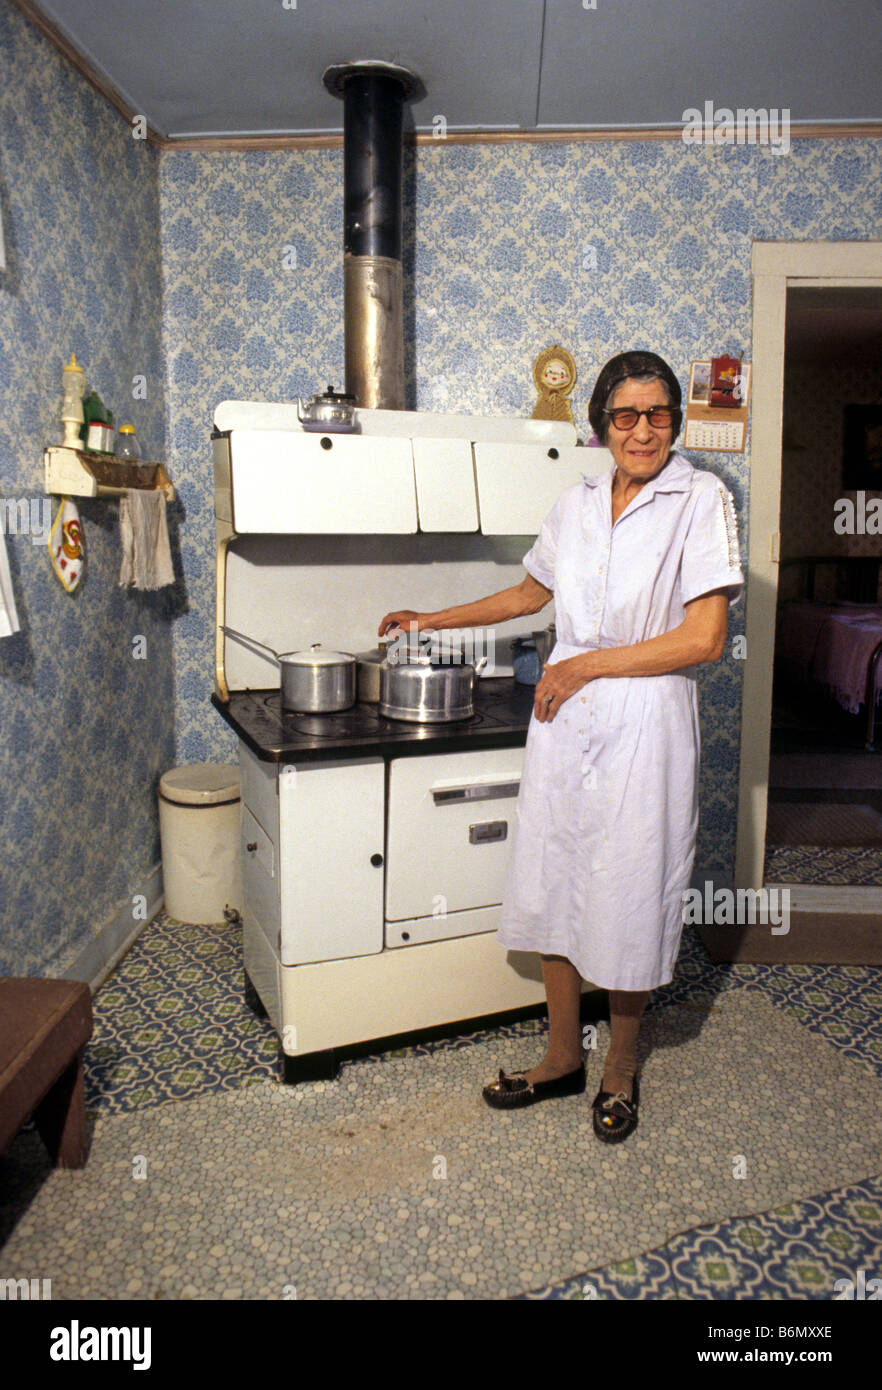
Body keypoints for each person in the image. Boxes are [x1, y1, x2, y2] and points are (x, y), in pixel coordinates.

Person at [378, 350, 744, 1143]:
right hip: (566, 724)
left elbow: (706, 638)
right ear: (600, 426)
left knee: (628, 891)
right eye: (625, 415)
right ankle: (558, 1059)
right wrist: (428, 620)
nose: (643, 430)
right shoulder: (575, 503)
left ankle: (619, 1065)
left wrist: (583, 664)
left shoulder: (701, 498)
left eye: (658, 414)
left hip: (645, 724)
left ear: (675, 422)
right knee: (553, 881)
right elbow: (529, 593)